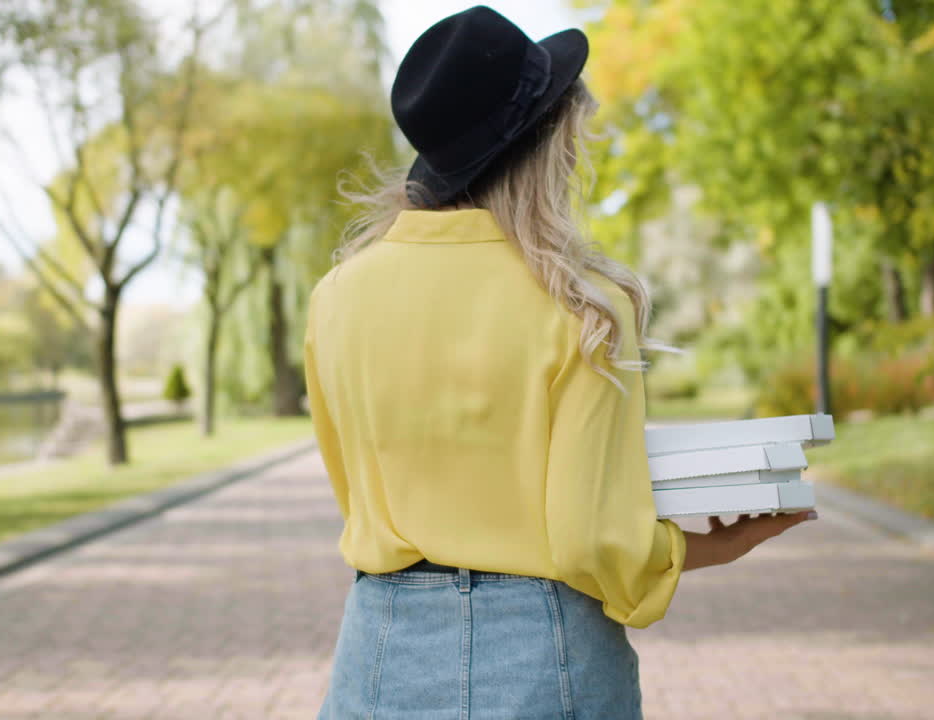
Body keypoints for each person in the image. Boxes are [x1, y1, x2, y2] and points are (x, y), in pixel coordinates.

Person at [303, 6, 816, 719]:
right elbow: (588, 536)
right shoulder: (584, 306)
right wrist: (704, 550)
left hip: (379, 647)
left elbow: (355, 489)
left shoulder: (336, 298)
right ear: (552, 146)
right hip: (544, 652)